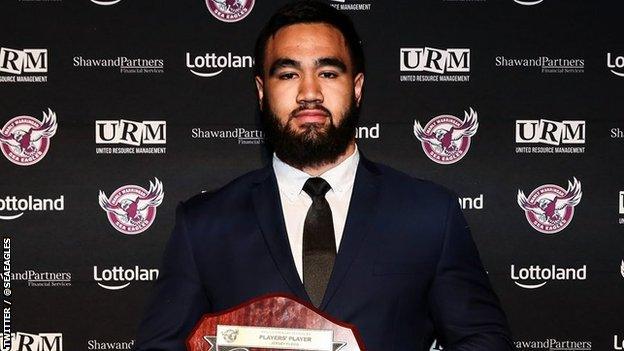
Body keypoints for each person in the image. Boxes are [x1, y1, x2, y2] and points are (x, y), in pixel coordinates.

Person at [134, 1, 514, 350]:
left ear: (357, 88)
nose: (309, 92)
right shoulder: (203, 224)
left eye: (328, 72)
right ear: (261, 91)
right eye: (287, 74)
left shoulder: (430, 214)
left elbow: (484, 341)